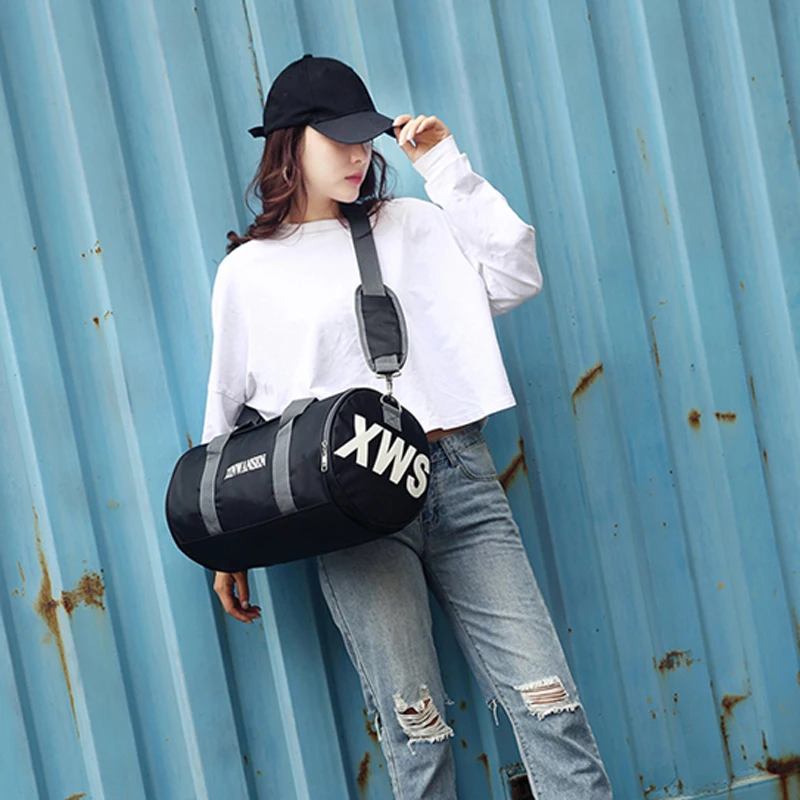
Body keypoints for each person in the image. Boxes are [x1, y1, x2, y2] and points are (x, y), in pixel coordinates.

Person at [203, 54, 612, 800]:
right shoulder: (248, 273)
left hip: (457, 478)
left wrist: (444, 166)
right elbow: (228, 409)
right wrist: (224, 543)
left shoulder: (413, 226)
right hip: (350, 508)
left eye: (365, 139)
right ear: (291, 142)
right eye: (339, 140)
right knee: (415, 732)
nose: (358, 155)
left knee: (550, 705)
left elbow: (515, 275)